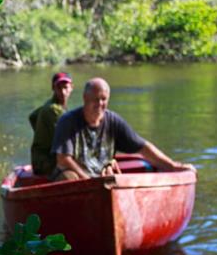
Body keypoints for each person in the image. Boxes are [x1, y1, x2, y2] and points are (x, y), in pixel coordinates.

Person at [51, 77, 193, 179]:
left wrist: (173, 166)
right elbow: (63, 160)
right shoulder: (67, 121)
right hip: (77, 177)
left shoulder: (113, 121)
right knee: (69, 176)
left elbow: (143, 147)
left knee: (113, 177)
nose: (100, 104)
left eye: (103, 99)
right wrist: (87, 180)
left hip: (102, 178)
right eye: (95, 99)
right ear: (85, 98)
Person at [28, 72, 73, 176]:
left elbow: (32, 116)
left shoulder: (51, 105)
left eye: (65, 87)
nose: (63, 92)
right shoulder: (53, 110)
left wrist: (43, 135)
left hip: (39, 160)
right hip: (45, 163)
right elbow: (65, 141)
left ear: (71, 88)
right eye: (59, 88)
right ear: (53, 88)